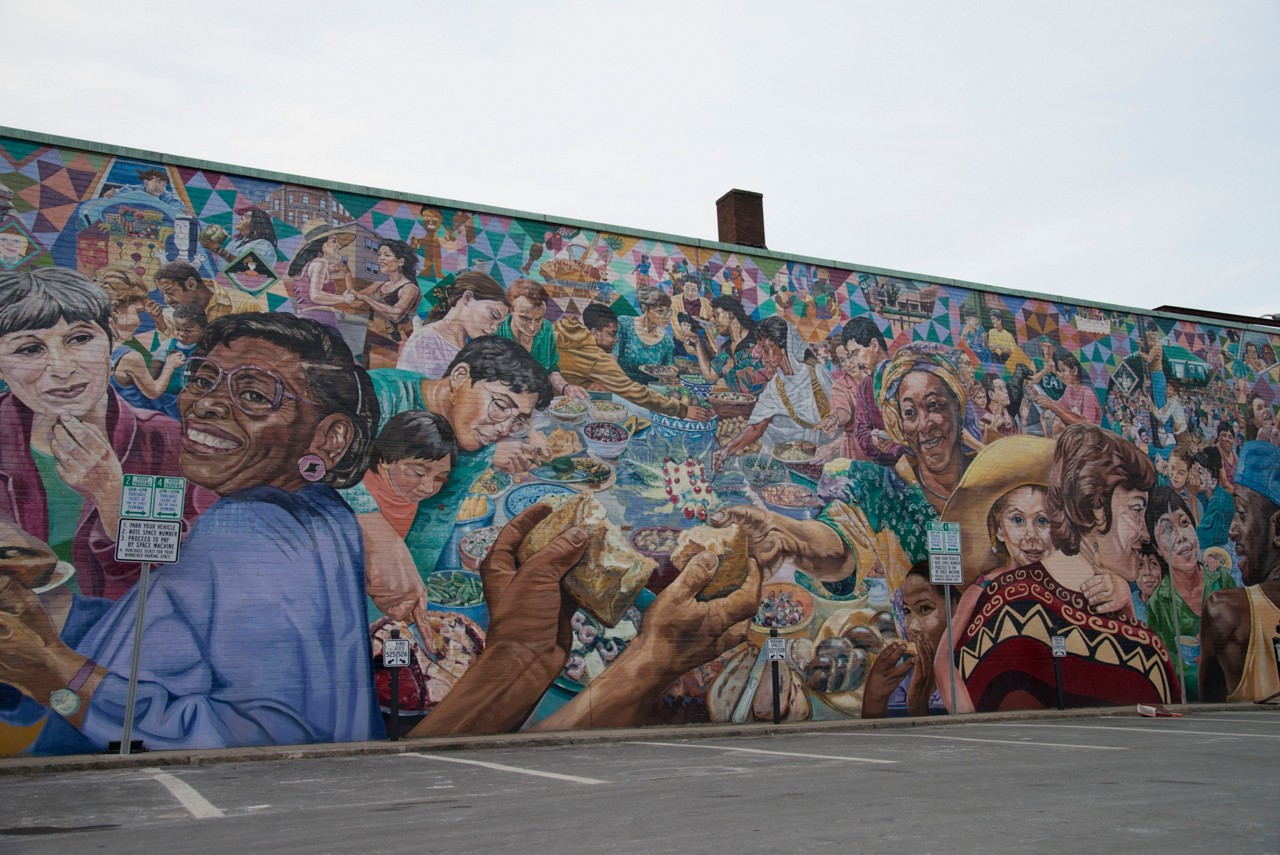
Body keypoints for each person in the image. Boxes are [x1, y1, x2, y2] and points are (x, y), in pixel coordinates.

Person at [0, 312, 383, 754]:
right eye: (202, 381)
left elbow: (262, 736)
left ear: (330, 437)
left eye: (254, 394)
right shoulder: (311, 510)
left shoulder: (246, 528)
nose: (204, 404)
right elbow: (174, 629)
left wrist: (51, 671)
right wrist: (52, 622)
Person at [0, 268, 214, 601]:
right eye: (29, 349)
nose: (62, 367)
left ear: (110, 340)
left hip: (121, 642)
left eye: (80, 339)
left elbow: (196, 579)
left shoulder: (167, 441)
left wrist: (113, 500)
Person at [940, 425, 1176, 712]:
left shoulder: (1068, 580)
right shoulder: (987, 589)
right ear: (998, 530)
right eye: (1017, 520)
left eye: (1042, 521)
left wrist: (1123, 596)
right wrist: (968, 715)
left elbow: (1121, 634)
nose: (1030, 535)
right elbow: (944, 660)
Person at [343, 335, 553, 589]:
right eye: (500, 406)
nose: (505, 429)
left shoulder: (477, 445)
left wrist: (411, 590)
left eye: (518, 420)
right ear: (459, 377)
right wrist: (379, 535)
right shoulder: (378, 395)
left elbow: (432, 524)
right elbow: (327, 470)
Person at [355, 411, 456, 628]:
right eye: (418, 472)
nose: (428, 487)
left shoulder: (404, 492)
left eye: (439, 478)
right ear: (384, 459)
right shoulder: (360, 497)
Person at [1200, 441, 1280, 702]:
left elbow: (1207, 719)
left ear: (1277, 528)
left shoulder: (1226, 612)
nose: (1232, 530)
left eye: (1241, 513)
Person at [1143, 486, 1237, 702]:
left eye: (1184, 523)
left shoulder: (1221, 580)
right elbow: (1169, 667)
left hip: (1234, 695)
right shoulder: (1158, 604)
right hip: (1194, 702)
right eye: (1167, 530)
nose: (1181, 537)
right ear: (1157, 549)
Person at [553, 304, 710, 420]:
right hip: (568, 415)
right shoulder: (596, 358)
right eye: (612, 334)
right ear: (594, 333)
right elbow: (634, 391)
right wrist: (681, 410)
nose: (616, 340)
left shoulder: (560, 333)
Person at [713, 317, 832, 461]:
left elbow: (843, 416)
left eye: (766, 350)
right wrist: (727, 450)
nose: (763, 357)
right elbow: (757, 427)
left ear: (783, 348)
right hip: (791, 455)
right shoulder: (776, 385)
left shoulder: (816, 373)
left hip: (827, 453)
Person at [862, 562, 957, 719]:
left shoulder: (970, 673)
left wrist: (918, 707)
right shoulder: (901, 678)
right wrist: (874, 698)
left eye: (925, 609)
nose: (912, 627)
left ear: (954, 607)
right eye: (906, 611)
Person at [396, 271, 508, 379]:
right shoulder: (426, 340)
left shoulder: (472, 351)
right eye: (493, 315)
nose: (494, 328)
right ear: (467, 298)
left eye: (499, 324)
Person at [491, 279, 586, 400]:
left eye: (539, 319)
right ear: (510, 310)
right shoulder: (494, 332)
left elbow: (551, 370)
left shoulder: (546, 329)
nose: (532, 327)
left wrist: (565, 387)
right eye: (525, 318)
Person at [834, 317, 904, 466]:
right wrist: (873, 441)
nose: (856, 362)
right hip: (882, 467)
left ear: (874, 345)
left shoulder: (906, 377)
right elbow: (861, 431)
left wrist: (897, 444)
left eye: (856, 353)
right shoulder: (866, 386)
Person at [347, 239, 421, 368]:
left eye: (386, 255)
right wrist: (347, 274)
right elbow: (354, 303)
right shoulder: (378, 285)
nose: (381, 258)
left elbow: (396, 314)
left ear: (401, 261)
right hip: (370, 341)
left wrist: (367, 299)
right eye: (380, 254)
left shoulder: (409, 288)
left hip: (393, 345)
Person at [150, 261, 261, 338]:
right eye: (163, 294)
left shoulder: (244, 304)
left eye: (170, 292)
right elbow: (171, 349)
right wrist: (159, 322)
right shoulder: (170, 313)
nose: (167, 300)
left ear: (191, 284)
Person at [285, 223, 358, 335]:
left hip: (303, 319)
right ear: (321, 242)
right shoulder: (320, 262)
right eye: (334, 241)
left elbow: (308, 282)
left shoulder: (304, 266)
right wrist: (344, 298)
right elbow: (315, 296)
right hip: (322, 321)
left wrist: (328, 271)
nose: (337, 245)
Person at [686, 295, 765, 395]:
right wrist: (697, 343)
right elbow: (710, 376)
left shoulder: (759, 339)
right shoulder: (728, 349)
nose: (714, 322)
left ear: (731, 314)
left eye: (716, 315)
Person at [614, 286, 688, 385]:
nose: (666, 316)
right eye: (660, 311)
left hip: (648, 392)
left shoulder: (666, 342)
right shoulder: (624, 324)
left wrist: (670, 376)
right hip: (620, 386)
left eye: (668, 311)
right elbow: (611, 361)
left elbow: (668, 370)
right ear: (645, 308)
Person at [1029, 352, 1101, 427]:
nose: (1061, 375)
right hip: (1075, 433)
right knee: (1052, 418)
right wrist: (1038, 397)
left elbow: (1088, 424)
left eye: (1063, 371)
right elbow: (1057, 406)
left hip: (1090, 436)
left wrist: (1051, 404)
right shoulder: (1069, 390)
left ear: (1075, 370)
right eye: (1060, 371)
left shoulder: (1087, 393)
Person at [201, 208, 280, 270]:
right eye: (243, 215)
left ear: (257, 224)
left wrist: (219, 251)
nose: (241, 217)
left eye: (247, 217)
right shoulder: (234, 243)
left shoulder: (264, 245)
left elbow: (248, 269)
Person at [1192, 446, 1233, 550]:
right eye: (1193, 471)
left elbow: (1197, 540)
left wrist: (1192, 495)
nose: (1195, 476)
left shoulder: (1219, 503)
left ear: (1214, 482)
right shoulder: (1208, 495)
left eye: (1200, 472)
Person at [1132, 542, 1164, 624]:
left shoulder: (1173, 602)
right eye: (1140, 565)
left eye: (1154, 564)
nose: (1147, 572)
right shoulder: (1129, 603)